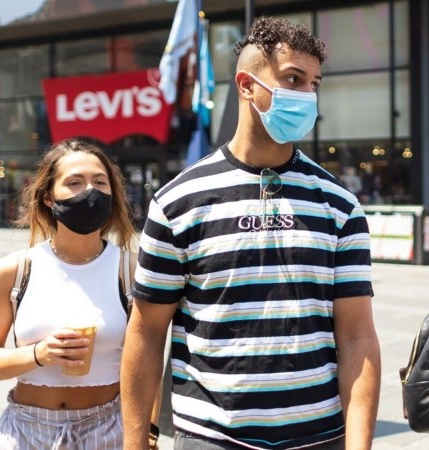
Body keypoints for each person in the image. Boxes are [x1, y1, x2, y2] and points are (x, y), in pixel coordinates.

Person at [121, 17, 381, 450]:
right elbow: (146, 332)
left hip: (319, 436)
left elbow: (357, 336)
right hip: (209, 437)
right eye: (293, 79)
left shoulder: (340, 205)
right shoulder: (177, 201)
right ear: (246, 85)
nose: (307, 96)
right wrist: (135, 441)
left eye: (314, 84)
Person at [0, 139, 139, 448]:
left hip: (108, 429)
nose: (90, 191)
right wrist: (39, 354)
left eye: (100, 182)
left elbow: (147, 360)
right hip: (27, 432)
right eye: (74, 182)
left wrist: (146, 435)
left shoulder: (131, 269)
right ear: (48, 197)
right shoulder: (14, 271)